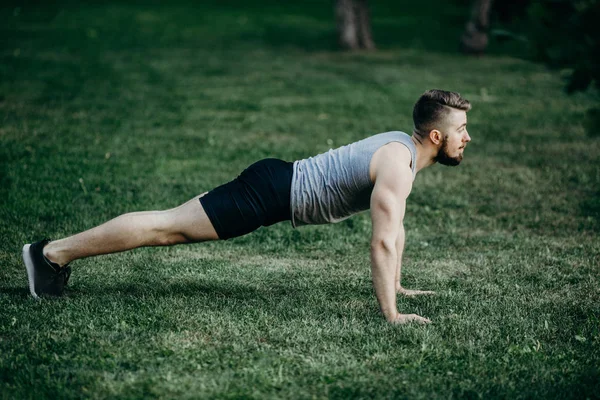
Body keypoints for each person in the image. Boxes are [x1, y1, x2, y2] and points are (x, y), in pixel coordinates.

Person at [22, 89, 471, 324]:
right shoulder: (398, 162)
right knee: (167, 227)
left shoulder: (403, 153)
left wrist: (400, 286)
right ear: (437, 137)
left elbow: (397, 230)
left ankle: (51, 255)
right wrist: (391, 314)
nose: (467, 138)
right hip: (268, 194)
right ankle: (49, 254)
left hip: (273, 184)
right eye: (462, 130)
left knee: (169, 225)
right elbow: (382, 241)